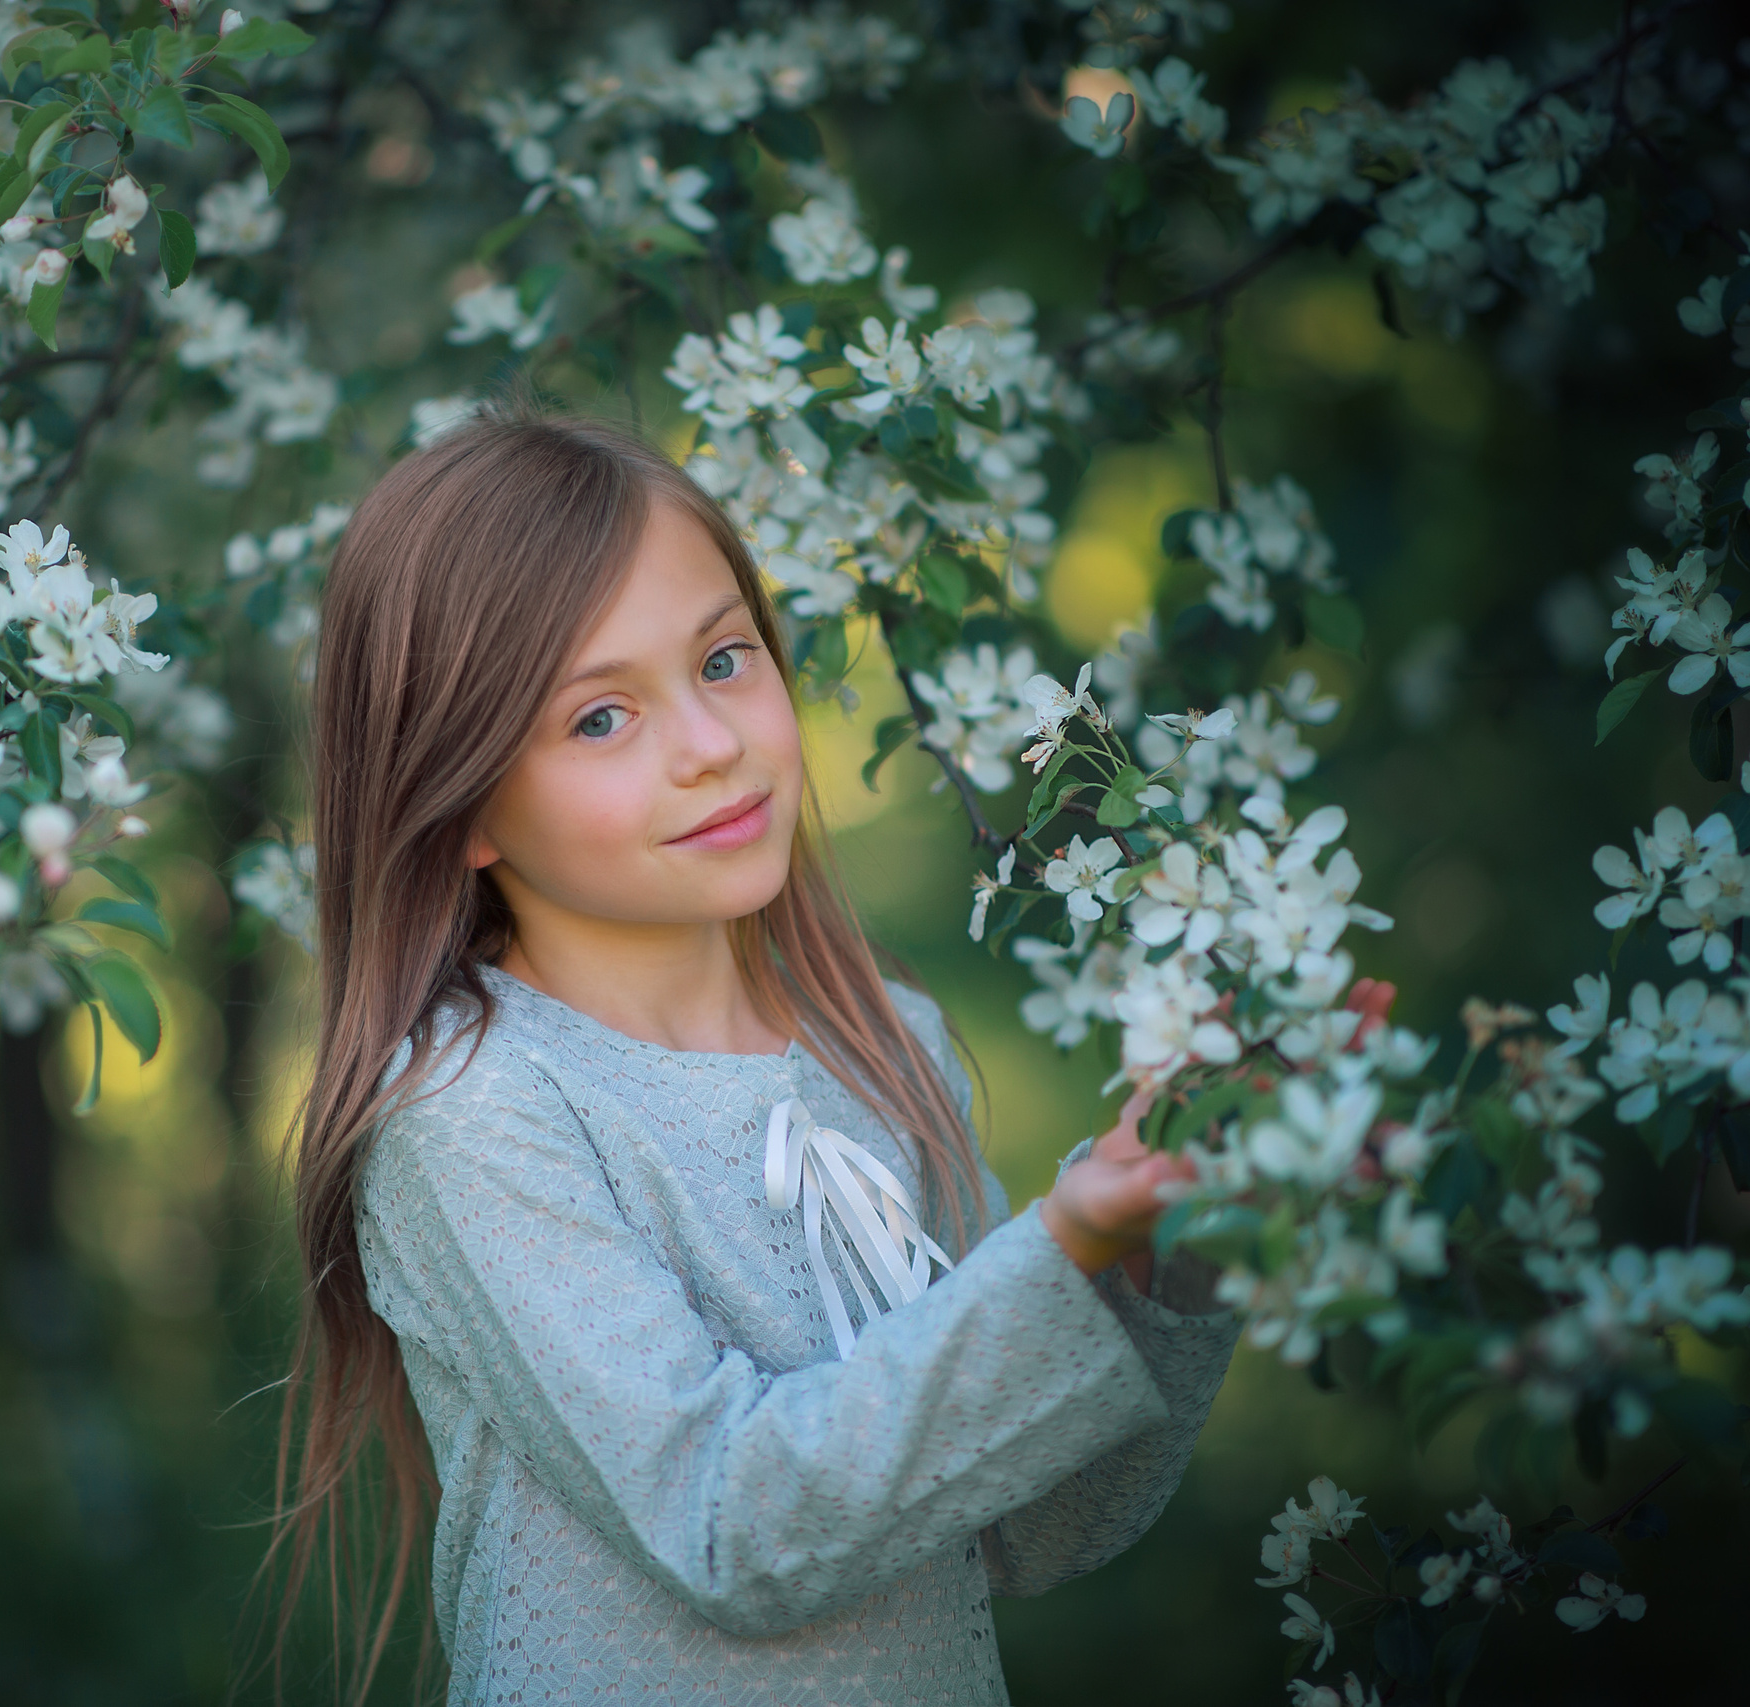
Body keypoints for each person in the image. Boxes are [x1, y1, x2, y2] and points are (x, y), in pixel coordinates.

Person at [272, 399, 1242, 1704]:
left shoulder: (888, 1052)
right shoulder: (474, 1112)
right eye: (600, 720)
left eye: (723, 660)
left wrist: (1170, 1236)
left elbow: (1029, 1524)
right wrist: (1062, 1244)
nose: (713, 746)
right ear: (462, 812)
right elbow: (730, 1526)